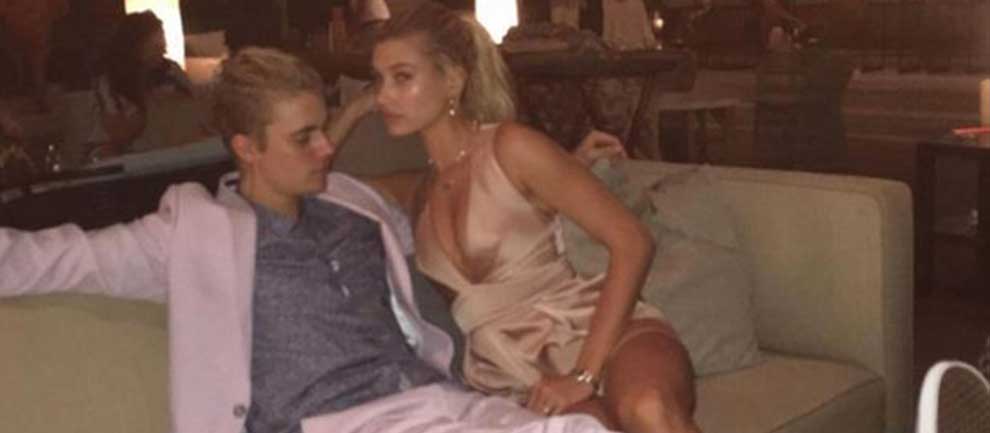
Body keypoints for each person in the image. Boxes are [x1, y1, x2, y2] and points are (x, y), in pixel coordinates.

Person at [0, 46, 617, 433]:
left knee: (586, 428)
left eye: (324, 128)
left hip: (440, 403)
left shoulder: (355, 205)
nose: (327, 148)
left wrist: (561, 173)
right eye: (304, 138)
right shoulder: (192, 234)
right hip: (333, 423)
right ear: (246, 148)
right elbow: (42, 260)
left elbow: (460, 196)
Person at [363, 3, 701, 433]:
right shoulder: (415, 192)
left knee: (646, 407)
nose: (382, 96)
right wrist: (353, 111)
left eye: (402, 78)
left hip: (597, 332)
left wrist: (583, 375)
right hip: (511, 373)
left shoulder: (510, 146)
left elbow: (633, 241)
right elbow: (315, 184)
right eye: (377, 80)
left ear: (453, 80)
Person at [88, 11, 196, 158]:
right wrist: (146, 104)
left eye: (162, 45)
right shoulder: (111, 82)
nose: (163, 50)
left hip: (178, 149)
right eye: (155, 47)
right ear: (135, 46)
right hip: (135, 155)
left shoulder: (171, 71)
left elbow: (195, 106)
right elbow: (118, 134)